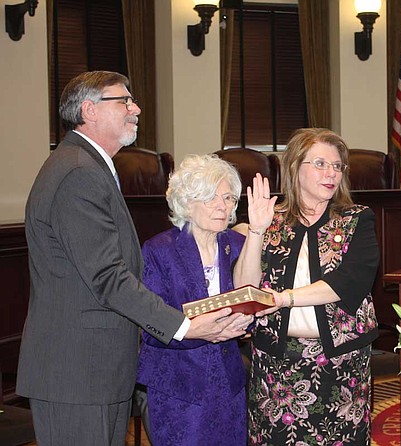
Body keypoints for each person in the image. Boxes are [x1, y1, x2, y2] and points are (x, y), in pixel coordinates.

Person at [17, 71, 245, 446]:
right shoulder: (78, 172)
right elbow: (108, 277)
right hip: (77, 370)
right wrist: (186, 327)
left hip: (93, 369)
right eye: (123, 100)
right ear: (89, 110)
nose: (135, 108)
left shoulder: (86, 165)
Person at [234, 128, 380, 445]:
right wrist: (256, 231)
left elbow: (350, 282)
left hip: (340, 365)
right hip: (276, 363)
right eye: (320, 164)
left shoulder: (356, 219)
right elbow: (244, 288)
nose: (331, 173)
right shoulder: (270, 220)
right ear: (295, 167)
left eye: (337, 166)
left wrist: (286, 298)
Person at [136, 154, 253, 445]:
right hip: (178, 385)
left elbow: (255, 296)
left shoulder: (237, 244)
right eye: (211, 197)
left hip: (229, 383)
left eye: (228, 198)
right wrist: (202, 330)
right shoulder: (159, 251)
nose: (222, 206)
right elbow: (149, 329)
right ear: (188, 203)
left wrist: (248, 320)